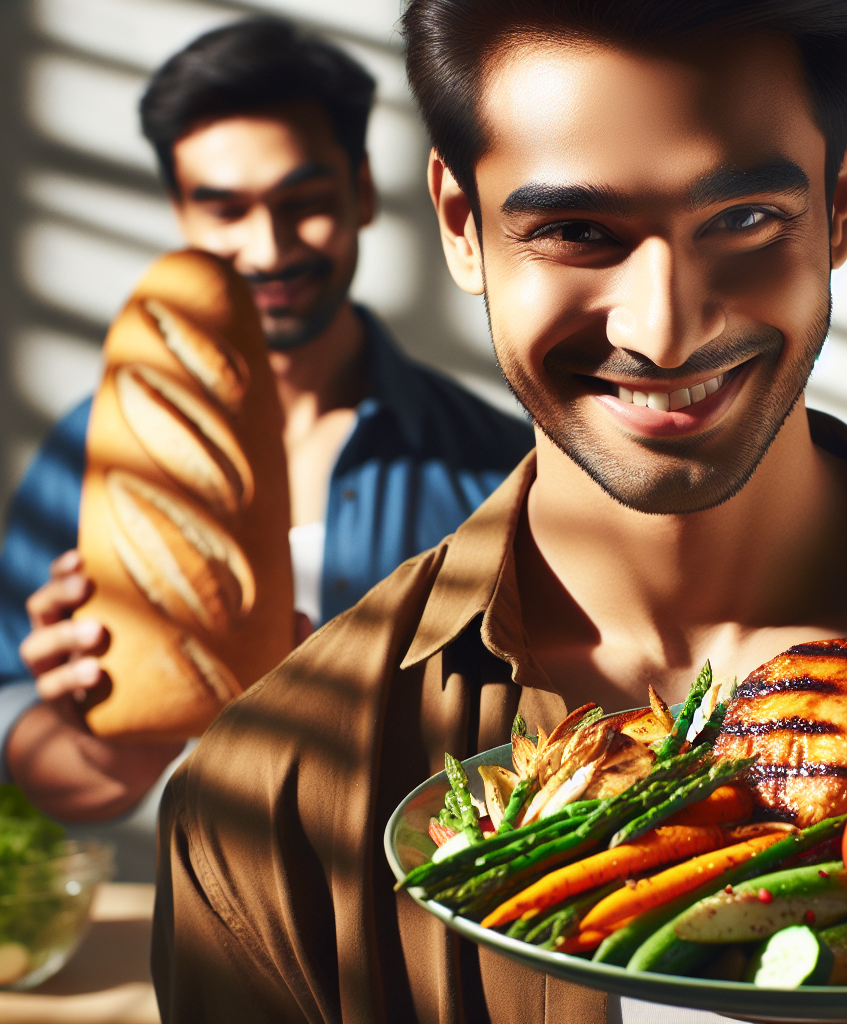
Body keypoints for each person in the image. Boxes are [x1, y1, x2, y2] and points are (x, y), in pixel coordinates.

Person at [152, 3, 847, 1023]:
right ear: (460, 226)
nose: (663, 330)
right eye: (574, 231)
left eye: (742, 218)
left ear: (837, 204)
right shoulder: (270, 797)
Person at [0, 17, 533, 826]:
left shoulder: (492, 464)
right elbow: (59, 773)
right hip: (207, 908)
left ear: (361, 192)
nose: (269, 246)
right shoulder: (90, 456)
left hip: (413, 918)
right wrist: (107, 743)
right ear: (180, 210)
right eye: (225, 209)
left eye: (304, 202)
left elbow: (537, 743)